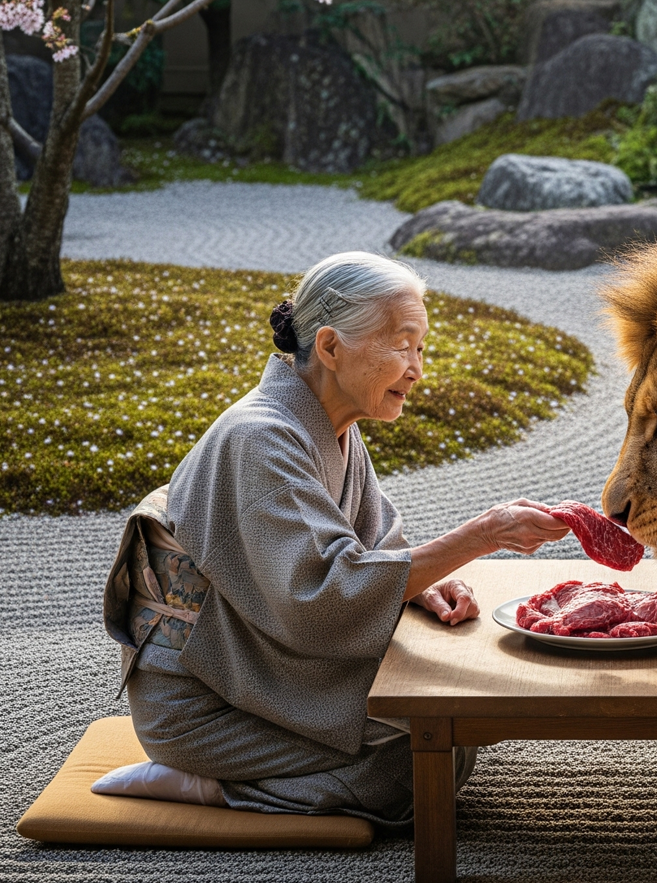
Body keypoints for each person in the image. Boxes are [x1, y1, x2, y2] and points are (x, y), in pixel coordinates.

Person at [98, 251, 568, 826]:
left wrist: (418, 583)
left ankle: (261, 777)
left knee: (448, 730)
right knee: (416, 762)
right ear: (329, 347)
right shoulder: (261, 440)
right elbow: (325, 598)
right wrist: (482, 534)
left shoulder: (332, 428)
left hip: (260, 666)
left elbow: (374, 553)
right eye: (402, 346)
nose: (417, 369)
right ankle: (205, 784)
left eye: (421, 349)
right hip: (205, 703)